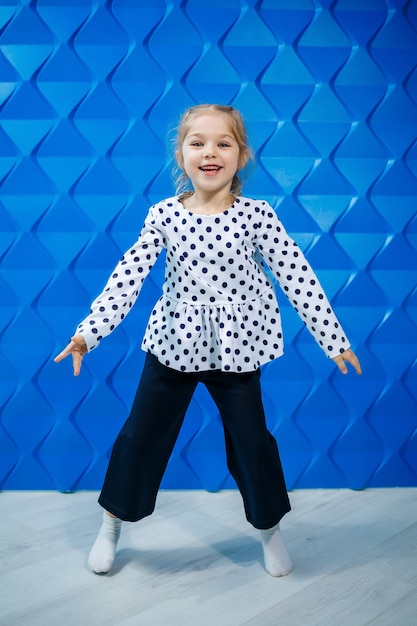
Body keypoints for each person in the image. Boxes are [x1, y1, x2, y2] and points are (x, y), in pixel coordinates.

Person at [54, 104, 362, 578]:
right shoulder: (164, 215)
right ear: (181, 155)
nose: (210, 152)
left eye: (223, 143)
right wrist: (87, 334)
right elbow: (127, 278)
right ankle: (112, 524)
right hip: (175, 345)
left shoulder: (257, 216)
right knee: (140, 437)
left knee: (253, 442)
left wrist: (332, 338)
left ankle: (268, 528)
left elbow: (297, 276)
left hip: (238, 349)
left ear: (242, 155)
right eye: (197, 142)